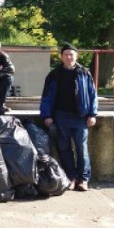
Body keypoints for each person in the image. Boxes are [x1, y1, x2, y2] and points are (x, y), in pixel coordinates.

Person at [40, 43, 98, 191]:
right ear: (61, 57)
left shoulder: (84, 73)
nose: (68, 57)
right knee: (64, 149)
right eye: (65, 54)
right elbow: (46, 96)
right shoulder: (53, 75)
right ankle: (71, 178)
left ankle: (83, 180)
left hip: (80, 117)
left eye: (71, 54)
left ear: (76, 56)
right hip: (60, 116)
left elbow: (93, 95)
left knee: (81, 149)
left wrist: (92, 114)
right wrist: (47, 116)